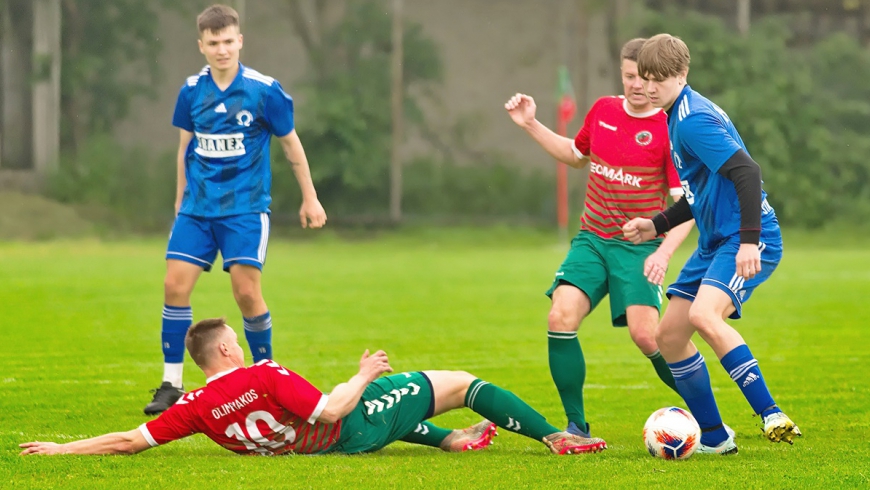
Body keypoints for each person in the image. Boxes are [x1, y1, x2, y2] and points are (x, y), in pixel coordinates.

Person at [20, 318, 607, 457]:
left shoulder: (193, 408)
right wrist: (362, 374)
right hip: (347, 430)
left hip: (316, 444)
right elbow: (330, 410)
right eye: (234, 338)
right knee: (457, 381)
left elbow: (128, 440)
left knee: (392, 400)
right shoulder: (264, 373)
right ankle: (557, 437)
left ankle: (451, 443)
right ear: (227, 348)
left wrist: (61, 449)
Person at [504, 38, 693, 443]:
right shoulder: (604, 111)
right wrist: (532, 125)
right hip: (592, 239)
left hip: (640, 247)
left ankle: (706, 416)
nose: (637, 85)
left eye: (645, 78)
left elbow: (685, 207)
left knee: (647, 336)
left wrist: (662, 250)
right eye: (629, 76)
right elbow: (576, 154)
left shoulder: (669, 127)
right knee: (560, 317)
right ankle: (576, 426)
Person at [622, 33, 801, 455]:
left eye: (658, 80)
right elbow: (702, 191)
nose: (648, 88)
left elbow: (747, 173)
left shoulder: (692, 120)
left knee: (704, 315)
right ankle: (716, 439)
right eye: (644, 78)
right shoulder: (675, 113)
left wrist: (749, 242)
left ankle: (771, 413)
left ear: (682, 75)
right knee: (668, 336)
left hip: (742, 239)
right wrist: (657, 223)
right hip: (715, 241)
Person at [145, 4, 327, 415]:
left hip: (245, 209)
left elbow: (291, 145)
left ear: (240, 41)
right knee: (174, 286)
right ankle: (171, 384)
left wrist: (310, 196)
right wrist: (179, 199)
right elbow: (184, 148)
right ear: (201, 46)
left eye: (229, 41)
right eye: (214, 43)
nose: (222, 49)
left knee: (246, 293)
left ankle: (266, 376)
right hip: (197, 208)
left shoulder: (264, 91)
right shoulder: (191, 90)